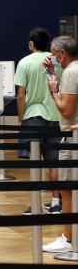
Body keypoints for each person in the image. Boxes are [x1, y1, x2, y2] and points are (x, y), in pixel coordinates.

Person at [42, 36, 78, 253]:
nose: (53, 56)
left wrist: (53, 90)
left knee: (67, 190)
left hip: (71, 139)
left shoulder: (71, 73)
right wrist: (50, 76)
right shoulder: (72, 70)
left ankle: (69, 238)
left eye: (54, 52)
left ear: (62, 54)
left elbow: (66, 110)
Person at [14, 28, 61, 183]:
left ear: (31, 43)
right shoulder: (56, 62)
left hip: (32, 115)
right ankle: (55, 201)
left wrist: (20, 119)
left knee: (34, 160)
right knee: (54, 160)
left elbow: (21, 95)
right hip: (55, 113)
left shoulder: (24, 62)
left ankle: (36, 203)